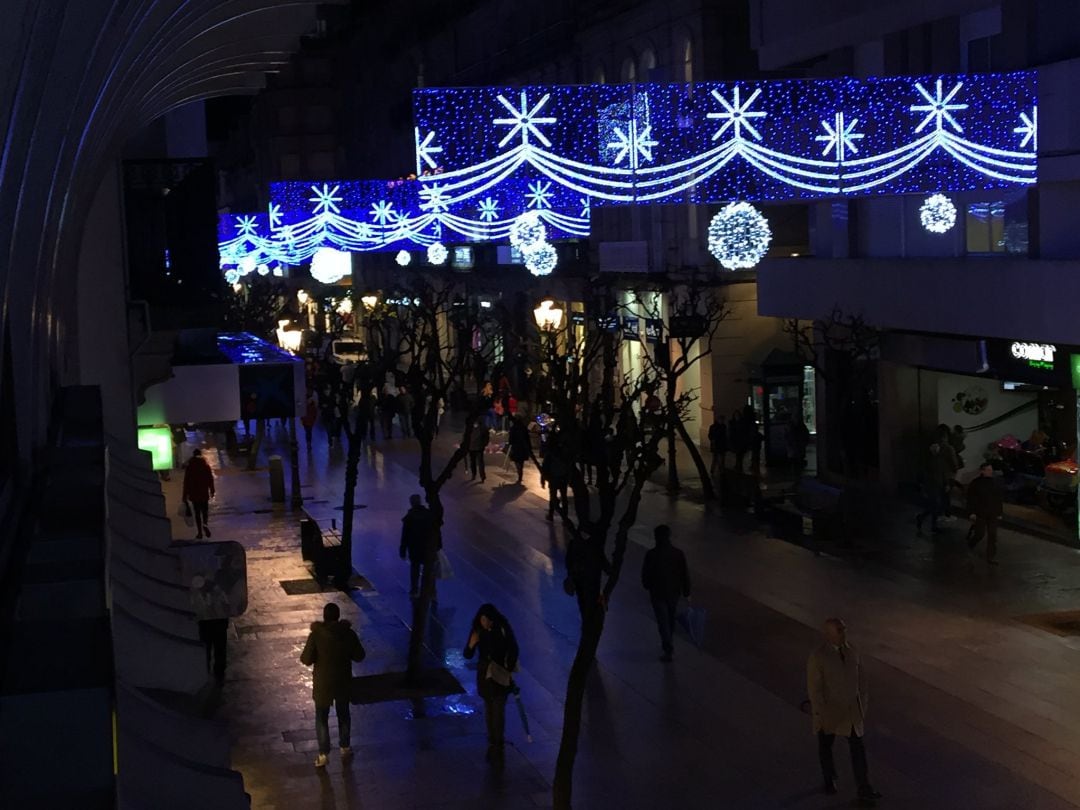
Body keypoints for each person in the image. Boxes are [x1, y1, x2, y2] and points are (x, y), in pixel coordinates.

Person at [807, 618, 882, 806]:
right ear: (828, 635)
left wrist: (862, 704)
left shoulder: (851, 651)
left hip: (851, 712)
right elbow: (815, 689)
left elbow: (862, 679)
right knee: (825, 745)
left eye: (843, 629)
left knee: (857, 749)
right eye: (839, 630)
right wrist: (821, 713)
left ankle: (864, 787)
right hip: (831, 713)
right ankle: (829, 778)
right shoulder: (819, 657)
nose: (843, 633)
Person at [300, 602, 366, 768]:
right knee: (343, 714)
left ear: (324, 617)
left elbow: (306, 659)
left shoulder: (316, 635)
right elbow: (360, 655)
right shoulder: (348, 634)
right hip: (343, 681)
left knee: (321, 718)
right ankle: (344, 746)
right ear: (338, 616)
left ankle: (323, 754)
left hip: (323, 683)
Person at [463, 603, 519, 768]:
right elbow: (467, 654)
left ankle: (496, 740)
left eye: (486, 619)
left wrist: (507, 668)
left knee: (496, 707)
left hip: (497, 673)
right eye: (482, 619)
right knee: (491, 706)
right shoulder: (480, 631)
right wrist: (472, 644)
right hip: (486, 674)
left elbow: (512, 649)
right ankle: (494, 739)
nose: (484, 622)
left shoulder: (499, 630)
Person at [640, 525, 690, 663]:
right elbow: (684, 574)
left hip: (657, 592)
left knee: (662, 620)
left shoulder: (651, 554)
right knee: (670, 617)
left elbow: (646, 574)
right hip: (673, 592)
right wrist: (687, 591)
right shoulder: (678, 553)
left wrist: (647, 585)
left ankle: (668, 646)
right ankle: (669, 640)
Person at [399, 494, 439, 597]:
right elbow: (435, 531)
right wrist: (437, 545)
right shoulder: (428, 514)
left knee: (415, 568)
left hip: (414, 547)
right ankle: (429, 589)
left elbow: (405, 535)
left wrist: (403, 550)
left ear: (411, 503)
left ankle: (414, 589)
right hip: (427, 547)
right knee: (428, 569)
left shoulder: (410, 517)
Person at [967, 462, 1003, 565]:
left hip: (992, 513)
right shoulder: (976, 484)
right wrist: (971, 512)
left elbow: (998, 499)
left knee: (992, 535)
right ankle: (971, 544)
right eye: (988, 470)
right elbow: (971, 499)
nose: (990, 472)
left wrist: (999, 512)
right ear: (982, 471)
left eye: (991, 470)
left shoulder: (994, 483)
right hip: (980, 512)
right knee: (980, 533)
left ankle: (990, 556)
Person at [915, 443, 953, 534]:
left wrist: (946, 484)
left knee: (934, 505)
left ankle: (924, 518)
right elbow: (926, 474)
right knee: (935, 505)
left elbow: (943, 473)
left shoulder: (937, 460)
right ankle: (931, 524)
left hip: (936, 485)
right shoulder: (930, 461)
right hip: (932, 486)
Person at [182, 449, 215, 539]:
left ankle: (200, 532)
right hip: (204, 492)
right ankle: (205, 524)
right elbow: (210, 479)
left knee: (197, 513)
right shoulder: (205, 466)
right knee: (205, 511)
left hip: (194, 493)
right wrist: (212, 490)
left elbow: (186, 482)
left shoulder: (190, 467)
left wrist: (184, 495)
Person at [540, 434, 570, 521]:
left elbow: (544, 468)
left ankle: (551, 514)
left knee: (553, 496)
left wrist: (543, 479)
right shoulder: (563, 452)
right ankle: (565, 516)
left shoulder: (550, 454)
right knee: (564, 497)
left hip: (553, 478)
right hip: (563, 477)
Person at [198, 617, 229, 684]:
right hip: (219, 620)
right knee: (220, 648)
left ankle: (207, 671)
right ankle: (219, 674)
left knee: (206, 649)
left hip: (206, 620)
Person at [507, 415, 532, 484]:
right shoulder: (524, 428)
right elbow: (527, 438)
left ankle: (519, 474)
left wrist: (510, 444)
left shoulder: (513, 428)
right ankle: (520, 474)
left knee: (517, 461)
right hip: (523, 447)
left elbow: (510, 439)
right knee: (521, 462)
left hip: (516, 447)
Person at [467, 417, 490, 482]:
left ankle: (479, 476)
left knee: (477, 462)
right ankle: (479, 476)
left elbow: (486, 437)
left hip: (477, 447)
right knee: (477, 462)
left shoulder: (481, 428)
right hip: (474, 447)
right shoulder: (482, 427)